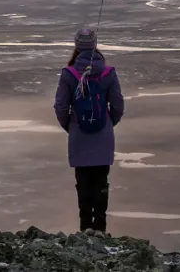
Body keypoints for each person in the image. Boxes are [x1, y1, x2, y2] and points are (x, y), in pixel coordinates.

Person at [53, 28, 124, 235]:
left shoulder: (69, 73)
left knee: (83, 181)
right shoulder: (108, 73)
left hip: (79, 134)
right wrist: (109, 123)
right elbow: (118, 104)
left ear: (76, 45)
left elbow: (60, 106)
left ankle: (85, 227)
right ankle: (100, 227)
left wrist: (70, 126)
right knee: (101, 181)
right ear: (95, 44)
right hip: (103, 133)